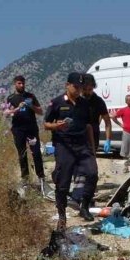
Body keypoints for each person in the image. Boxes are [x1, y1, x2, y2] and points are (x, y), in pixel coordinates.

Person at [44, 72, 97, 225]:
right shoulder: (56, 102)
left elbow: (88, 127)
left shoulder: (84, 104)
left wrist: (92, 150)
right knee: (63, 182)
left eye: (81, 87)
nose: (78, 90)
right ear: (67, 85)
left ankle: (85, 205)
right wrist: (56, 126)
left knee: (92, 173)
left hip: (82, 145)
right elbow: (46, 124)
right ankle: (62, 215)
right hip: (64, 145)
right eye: (75, 86)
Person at [6, 75, 49, 198]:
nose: (22, 85)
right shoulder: (11, 98)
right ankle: (25, 179)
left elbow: (40, 111)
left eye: (23, 83)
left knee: (36, 153)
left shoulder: (31, 96)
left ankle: (41, 177)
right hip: (18, 129)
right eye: (19, 83)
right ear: (15, 84)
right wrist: (16, 109)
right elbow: (6, 113)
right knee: (22, 153)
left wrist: (31, 106)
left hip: (31, 129)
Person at [82, 74, 112, 154]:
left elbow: (107, 123)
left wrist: (108, 140)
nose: (87, 92)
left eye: (90, 89)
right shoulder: (77, 100)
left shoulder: (98, 102)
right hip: (79, 137)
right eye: (85, 89)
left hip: (93, 137)